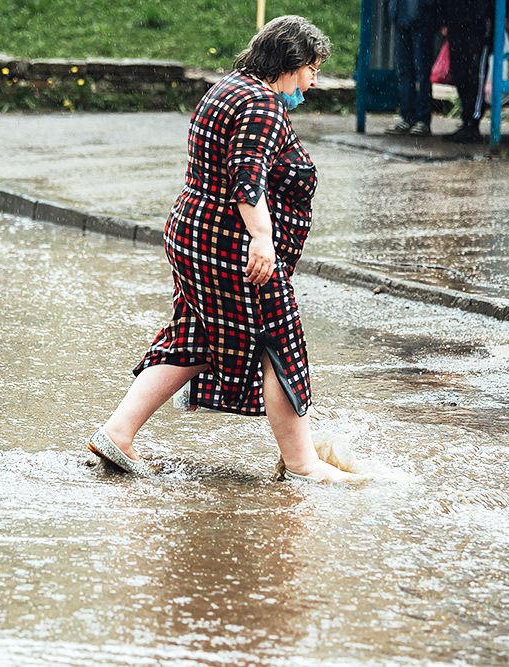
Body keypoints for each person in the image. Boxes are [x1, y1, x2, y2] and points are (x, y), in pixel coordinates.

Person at [87, 15, 355, 483]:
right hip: (229, 242)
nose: (314, 81)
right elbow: (247, 178)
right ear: (291, 63)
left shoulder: (229, 88)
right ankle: (302, 462)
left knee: (195, 336)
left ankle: (118, 433)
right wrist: (262, 239)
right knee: (280, 340)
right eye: (312, 68)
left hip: (194, 232)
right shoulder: (262, 105)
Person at [439, 0, 495, 144]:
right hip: (457, 20)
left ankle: (473, 123)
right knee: (458, 72)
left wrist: (500, 16)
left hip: (480, 20)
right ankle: (467, 121)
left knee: (476, 73)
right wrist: (444, 19)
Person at [385, 0, 437, 136]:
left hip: (421, 20)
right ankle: (408, 117)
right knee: (404, 71)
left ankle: (422, 120)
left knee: (422, 72)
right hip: (402, 18)